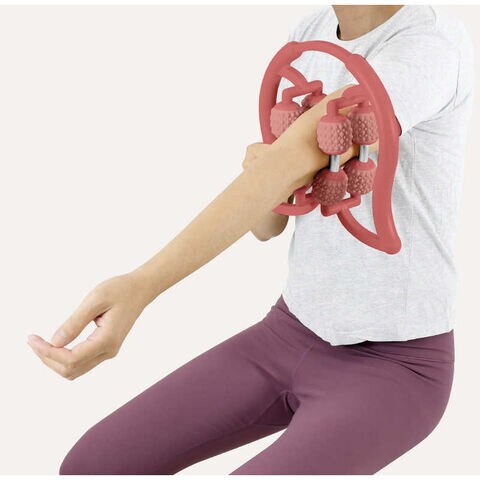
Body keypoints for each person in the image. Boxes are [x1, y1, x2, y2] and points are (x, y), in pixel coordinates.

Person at [27, 5, 474, 475]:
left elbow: (309, 147)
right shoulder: (312, 33)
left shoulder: (428, 44)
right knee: (91, 466)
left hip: (396, 366)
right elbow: (268, 226)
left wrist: (141, 286)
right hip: (289, 332)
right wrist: (269, 174)